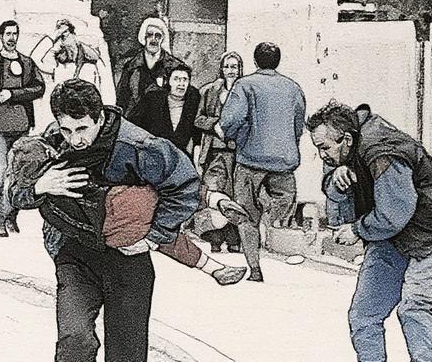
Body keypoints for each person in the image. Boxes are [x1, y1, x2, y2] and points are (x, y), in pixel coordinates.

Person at [7, 78, 199, 361]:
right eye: (67, 129)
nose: (75, 139)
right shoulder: (52, 140)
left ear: (99, 117)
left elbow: (186, 186)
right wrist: (39, 186)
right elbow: (12, 194)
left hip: (127, 261)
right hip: (75, 256)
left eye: (82, 128)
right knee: (74, 340)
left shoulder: (138, 145)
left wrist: (153, 237)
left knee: (126, 355)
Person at [307, 101, 432, 362]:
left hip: (430, 235)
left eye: (324, 148)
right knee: (363, 315)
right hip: (390, 238)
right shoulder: (343, 149)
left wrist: (357, 230)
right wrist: (336, 179)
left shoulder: (381, 151)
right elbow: (334, 202)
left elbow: (394, 212)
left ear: (347, 140)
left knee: (413, 307)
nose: (322, 155)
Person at [6, 135, 246, 285]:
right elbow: (15, 196)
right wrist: (40, 187)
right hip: (109, 216)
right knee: (157, 203)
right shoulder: (56, 173)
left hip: (108, 223)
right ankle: (212, 202)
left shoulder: (57, 162)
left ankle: (213, 261)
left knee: (159, 222)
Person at [219, 42, 306, 282]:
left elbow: (229, 121)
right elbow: (299, 125)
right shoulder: (293, 88)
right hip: (284, 163)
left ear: (255, 62)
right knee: (283, 205)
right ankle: (271, 214)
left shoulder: (244, 85)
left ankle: (255, 269)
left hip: (250, 160)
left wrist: (236, 135)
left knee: (246, 217)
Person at [0, 19, 45, 237]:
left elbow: (39, 87)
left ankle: (9, 216)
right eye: (8, 34)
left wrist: (14, 94)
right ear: (1, 37)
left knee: (16, 175)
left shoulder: (27, 62)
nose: (12, 38)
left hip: (21, 128)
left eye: (15, 33)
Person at [193, 51, 244, 253]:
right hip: (214, 152)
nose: (230, 71)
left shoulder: (245, 92)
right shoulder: (209, 91)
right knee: (214, 193)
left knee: (235, 196)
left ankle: (233, 240)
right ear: (221, 69)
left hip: (237, 153)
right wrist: (216, 125)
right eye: (227, 66)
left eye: (234, 67)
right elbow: (198, 119)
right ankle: (214, 239)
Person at [30, 19, 116, 131]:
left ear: (74, 35)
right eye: (60, 36)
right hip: (64, 120)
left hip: (86, 120)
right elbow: (34, 57)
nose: (63, 38)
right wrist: (53, 36)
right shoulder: (59, 67)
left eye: (66, 33)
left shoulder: (91, 66)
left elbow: (105, 90)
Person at [128, 64, 201, 159]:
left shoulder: (193, 104)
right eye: (176, 79)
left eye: (185, 79)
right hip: (151, 155)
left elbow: (197, 138)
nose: (181, 84)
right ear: (168, 81)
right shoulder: (152, 99)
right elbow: (133, 125)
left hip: (179, 159)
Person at [116, 17, 184, 115]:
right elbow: (122, 99)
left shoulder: (175, 67)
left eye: (158, 36)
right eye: (149, 35)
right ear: (144, 37)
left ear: (162, 39)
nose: (153, 39)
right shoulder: (131, 66)